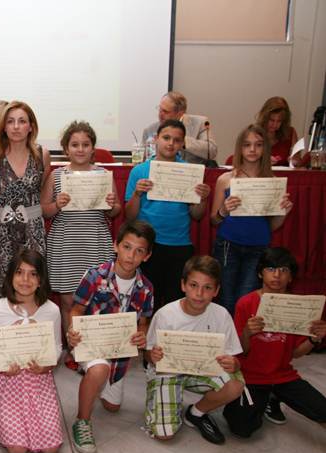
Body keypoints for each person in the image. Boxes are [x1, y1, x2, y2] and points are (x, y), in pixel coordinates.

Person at [66, 220, 155, 453]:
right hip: (89, 343)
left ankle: (96, 380)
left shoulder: (146, 288)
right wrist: (72, 331)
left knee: (112, 406)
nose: (131, 256)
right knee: (99, 370)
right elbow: (76, 309)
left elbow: (143, 323)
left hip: (119, 354)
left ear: (147, 256)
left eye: (139, 251)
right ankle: (82, 421)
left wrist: (142, 336)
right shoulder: (95, 275)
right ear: (115, 245)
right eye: (126, 247)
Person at [223, 247, 326, 437]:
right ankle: (267, 400)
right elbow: (240, 352)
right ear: (260, 273)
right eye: (270, 269)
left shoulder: (299, 306)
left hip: (283, 375)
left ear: (291, 277)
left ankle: (273, 397)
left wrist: (314, 339)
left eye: (284, 270)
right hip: (251, 376)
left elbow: (296, 353)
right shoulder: (245, 303)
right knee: (241, 428)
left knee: (322, 411)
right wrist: (247, 333)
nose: (277, 275)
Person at [145, 256, 244, 444]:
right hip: (168, 373)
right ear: (183, 285)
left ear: (216, 291)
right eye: (193, 285)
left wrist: (234, 364)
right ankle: (164, 400)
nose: (199, 293)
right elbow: (148, 354)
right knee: (164, 434)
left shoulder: (221, 315)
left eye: (207, 287)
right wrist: (153, 356)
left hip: (203, 371)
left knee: (235, 385)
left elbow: (234, 358)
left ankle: (196, 412)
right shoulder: (165, 314)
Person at [42, 120, 121, 344]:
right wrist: (57, 204)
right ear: (66, 148)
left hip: (95, 242)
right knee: (68, 302)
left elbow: (116, 210)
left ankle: (94, 349)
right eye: (74, 144)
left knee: (97, 298)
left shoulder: (103, 174)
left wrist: (111, 204)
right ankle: (73, 349)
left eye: (85, 144)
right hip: (65, 244)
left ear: (92, 148)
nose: (80, 149)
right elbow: (44, 210)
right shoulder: (56, 175)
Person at [0, 249, 63, 453]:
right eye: (19, 272)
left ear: (41, 280)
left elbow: (57, 346)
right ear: (10, 276)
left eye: (33, 274)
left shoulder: (52, 310)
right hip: (6, 381)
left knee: (51, 448)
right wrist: (0, 365)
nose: (25, 280)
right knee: (17, 450)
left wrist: (48, 365)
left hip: (39, 382)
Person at [125, 119, 211, 310]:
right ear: (156, 139)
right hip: (148, 246)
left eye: (177, 140)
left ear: (182, 144)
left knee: (175, 304)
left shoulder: (190, 172)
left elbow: (197, 215)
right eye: (166, 138)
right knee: (147, 303)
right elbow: (129, 216)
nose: (171, 143)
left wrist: (203, 199)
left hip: (179, 245)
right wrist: (137, 194)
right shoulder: (139, 171)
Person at [210, 124, 293, 315]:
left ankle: (241, 334)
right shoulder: (226, 179)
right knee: (226, 299)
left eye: (258, 144)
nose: (252, 149)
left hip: (258, 247)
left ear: (265, 148)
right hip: (228, 246)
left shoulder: (272, 182)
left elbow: (272, 226)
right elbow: (213, 220)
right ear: (240, 148)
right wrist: (223, 210)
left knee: (246, 298)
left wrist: (283, 212)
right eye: (247, 145)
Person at [0, 101, 51, 305]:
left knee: (32, 286)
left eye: (22, 121)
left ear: (31, 126)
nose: (16, 126)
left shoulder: (42, 154)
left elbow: (40, 193)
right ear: (3, 126)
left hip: (32, 231)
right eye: (10, 121)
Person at [141, 91, 217, 165]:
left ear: (180, 113)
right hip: (159, 171)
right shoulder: (150, 130)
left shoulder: (200, 123)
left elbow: (212, 151)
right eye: (160, 109)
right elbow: (143, 160)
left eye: (165, 111)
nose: (160, 114)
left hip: (190, 171)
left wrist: (182, 141)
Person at [255, 97, 298, 166]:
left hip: (285, 172)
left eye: (279, 121)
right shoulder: (254, 133)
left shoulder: (290, 133)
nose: (275, 125)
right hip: (261, 172)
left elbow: (298, 160)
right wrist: (262, 160)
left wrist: (295, 161)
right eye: (271, 120)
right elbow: (244, 160)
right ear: (264, 118)